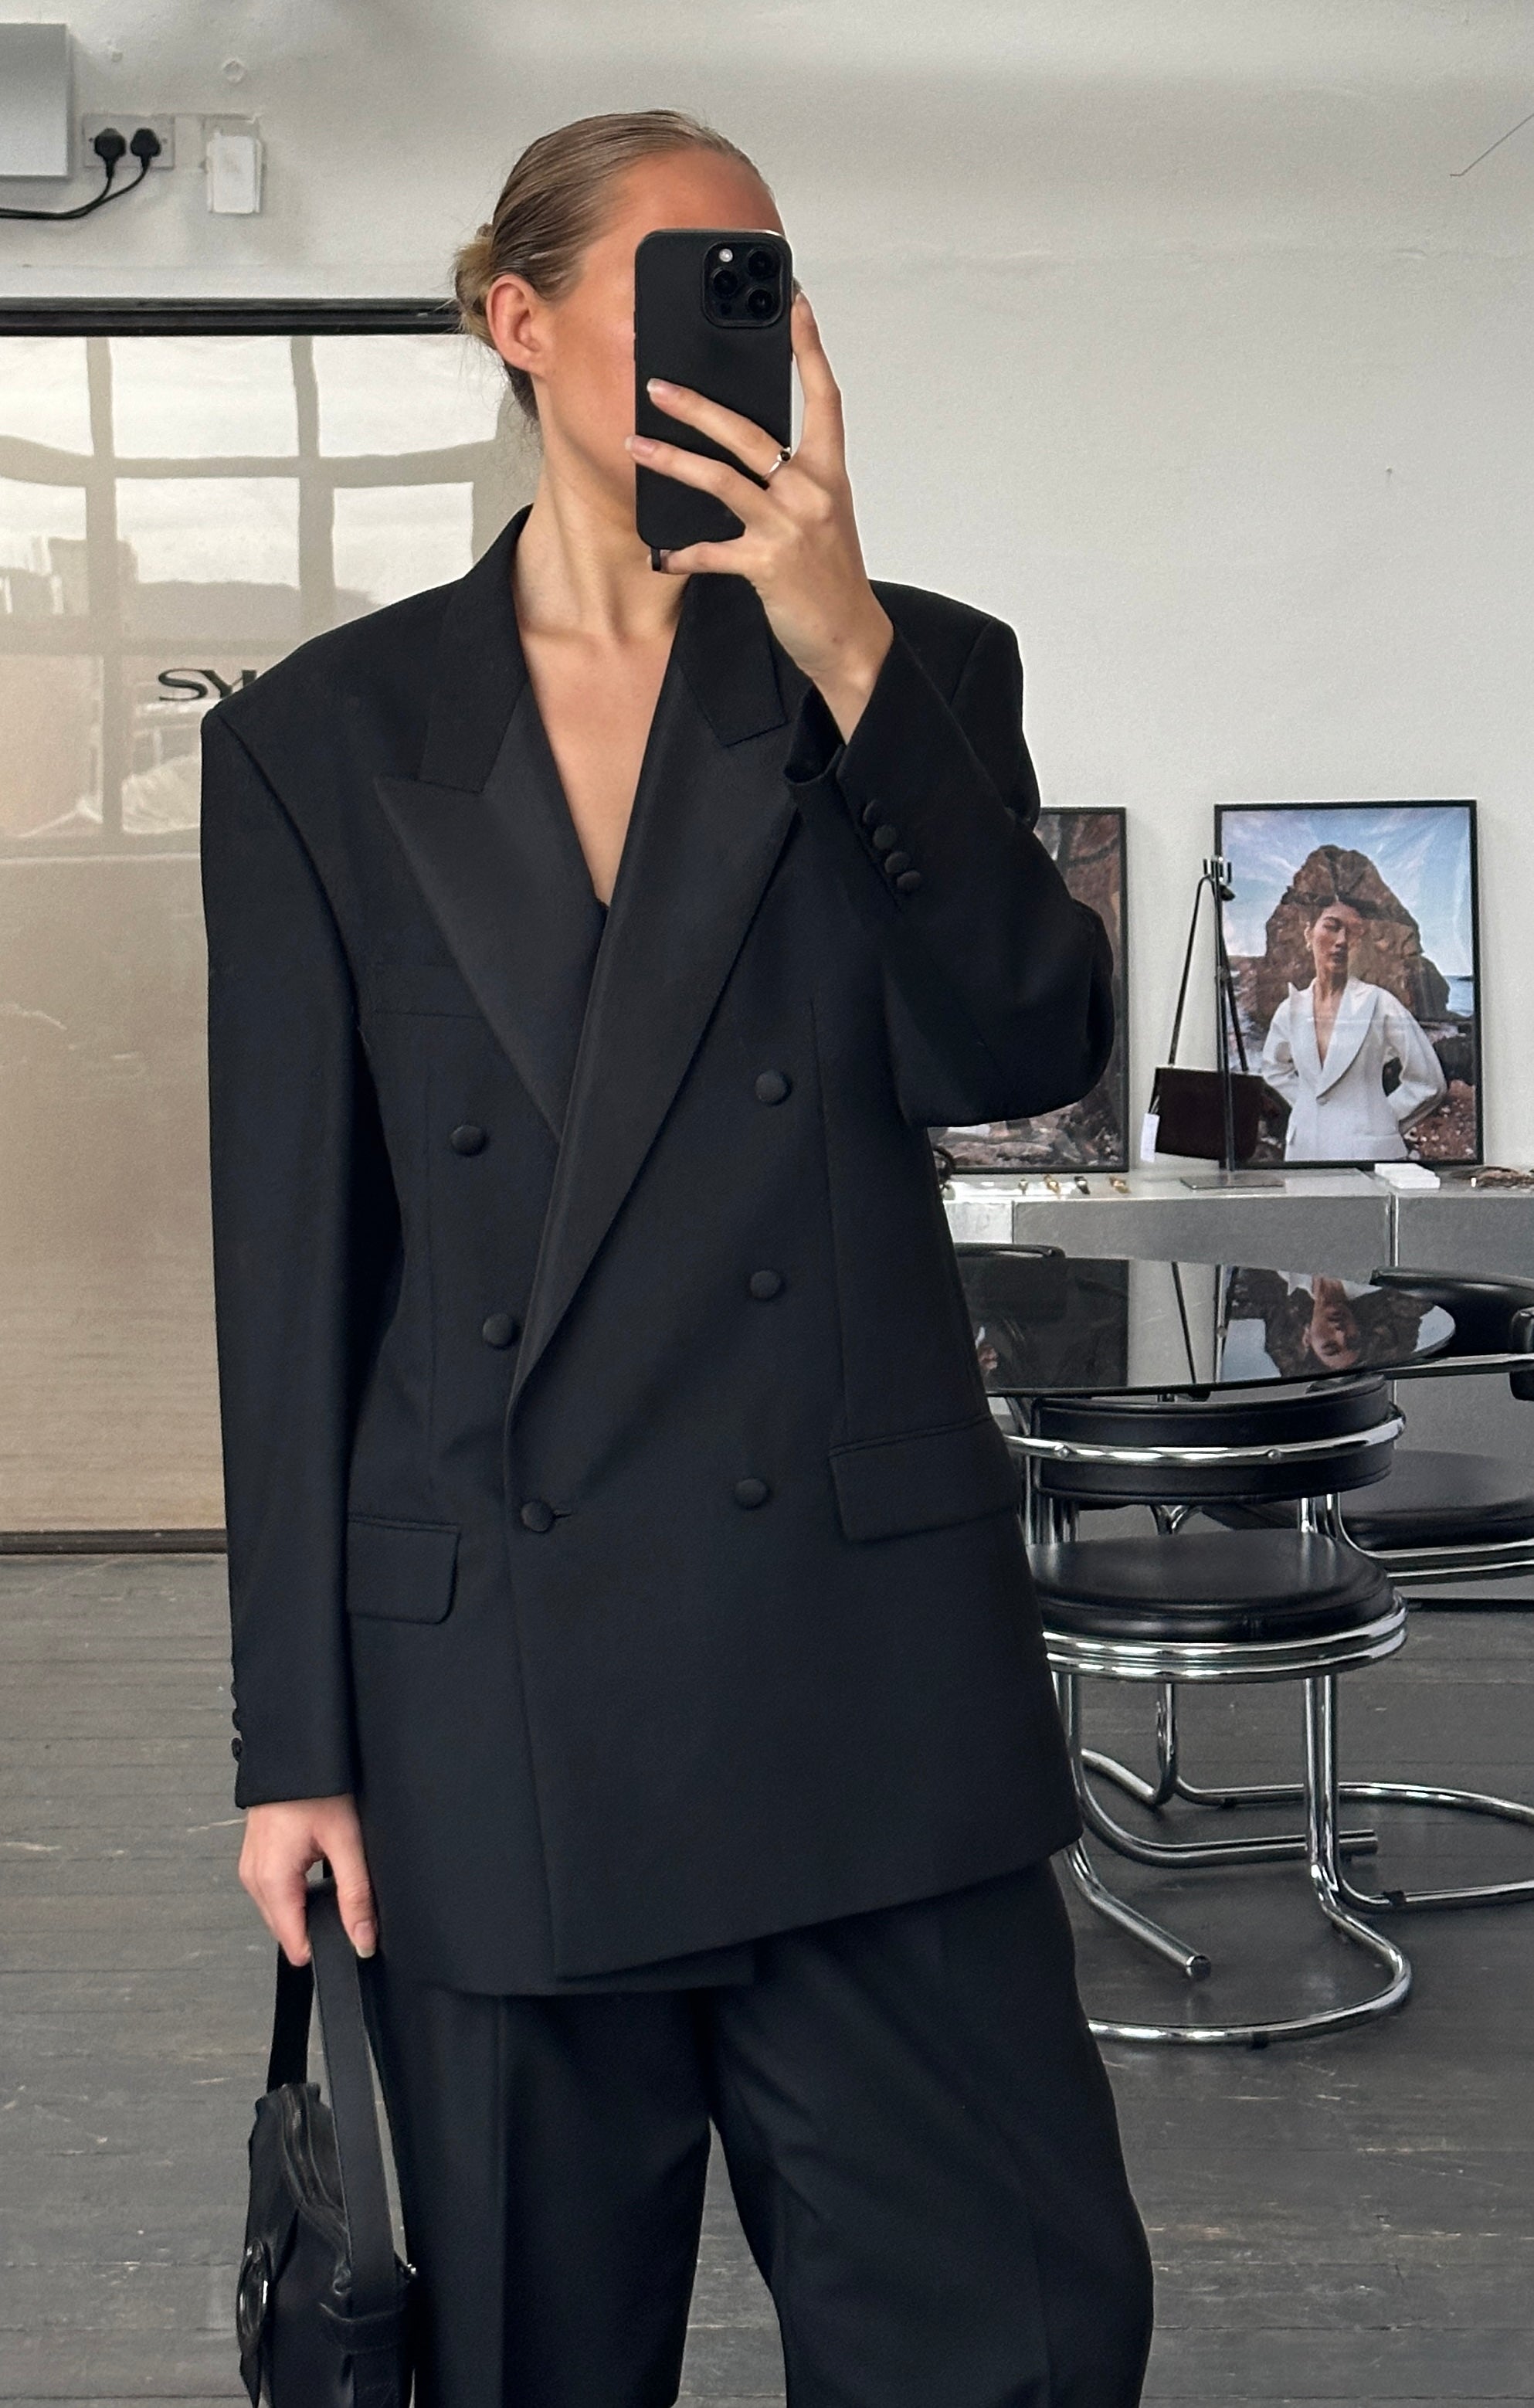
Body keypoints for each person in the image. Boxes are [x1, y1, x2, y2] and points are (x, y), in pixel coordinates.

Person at [200, 108, 1151, 2408]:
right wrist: (291, 1747)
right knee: (521, 2356)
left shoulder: (916, 668)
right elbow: (292, 1266)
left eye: (767, 277)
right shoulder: (325, 738)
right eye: (681, 277)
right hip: (497, 1710)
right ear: (517, 321)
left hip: (864, 1687)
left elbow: (1016, 1048)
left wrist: (842, 643)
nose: (745, 320)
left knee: (1002, 2343)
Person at [1257, 895, 1445, 1162]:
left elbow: (1428, 1081)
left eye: (1354, 932)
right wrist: (1308, 1105)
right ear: (1309, 934)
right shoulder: (1291, 1010)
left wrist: (1381, 1118)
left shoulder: (1380, 1004)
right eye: (1332, 927)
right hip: (1306, 1151)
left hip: (1369, 1153)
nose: (1342, 940)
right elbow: (1274, 1068)